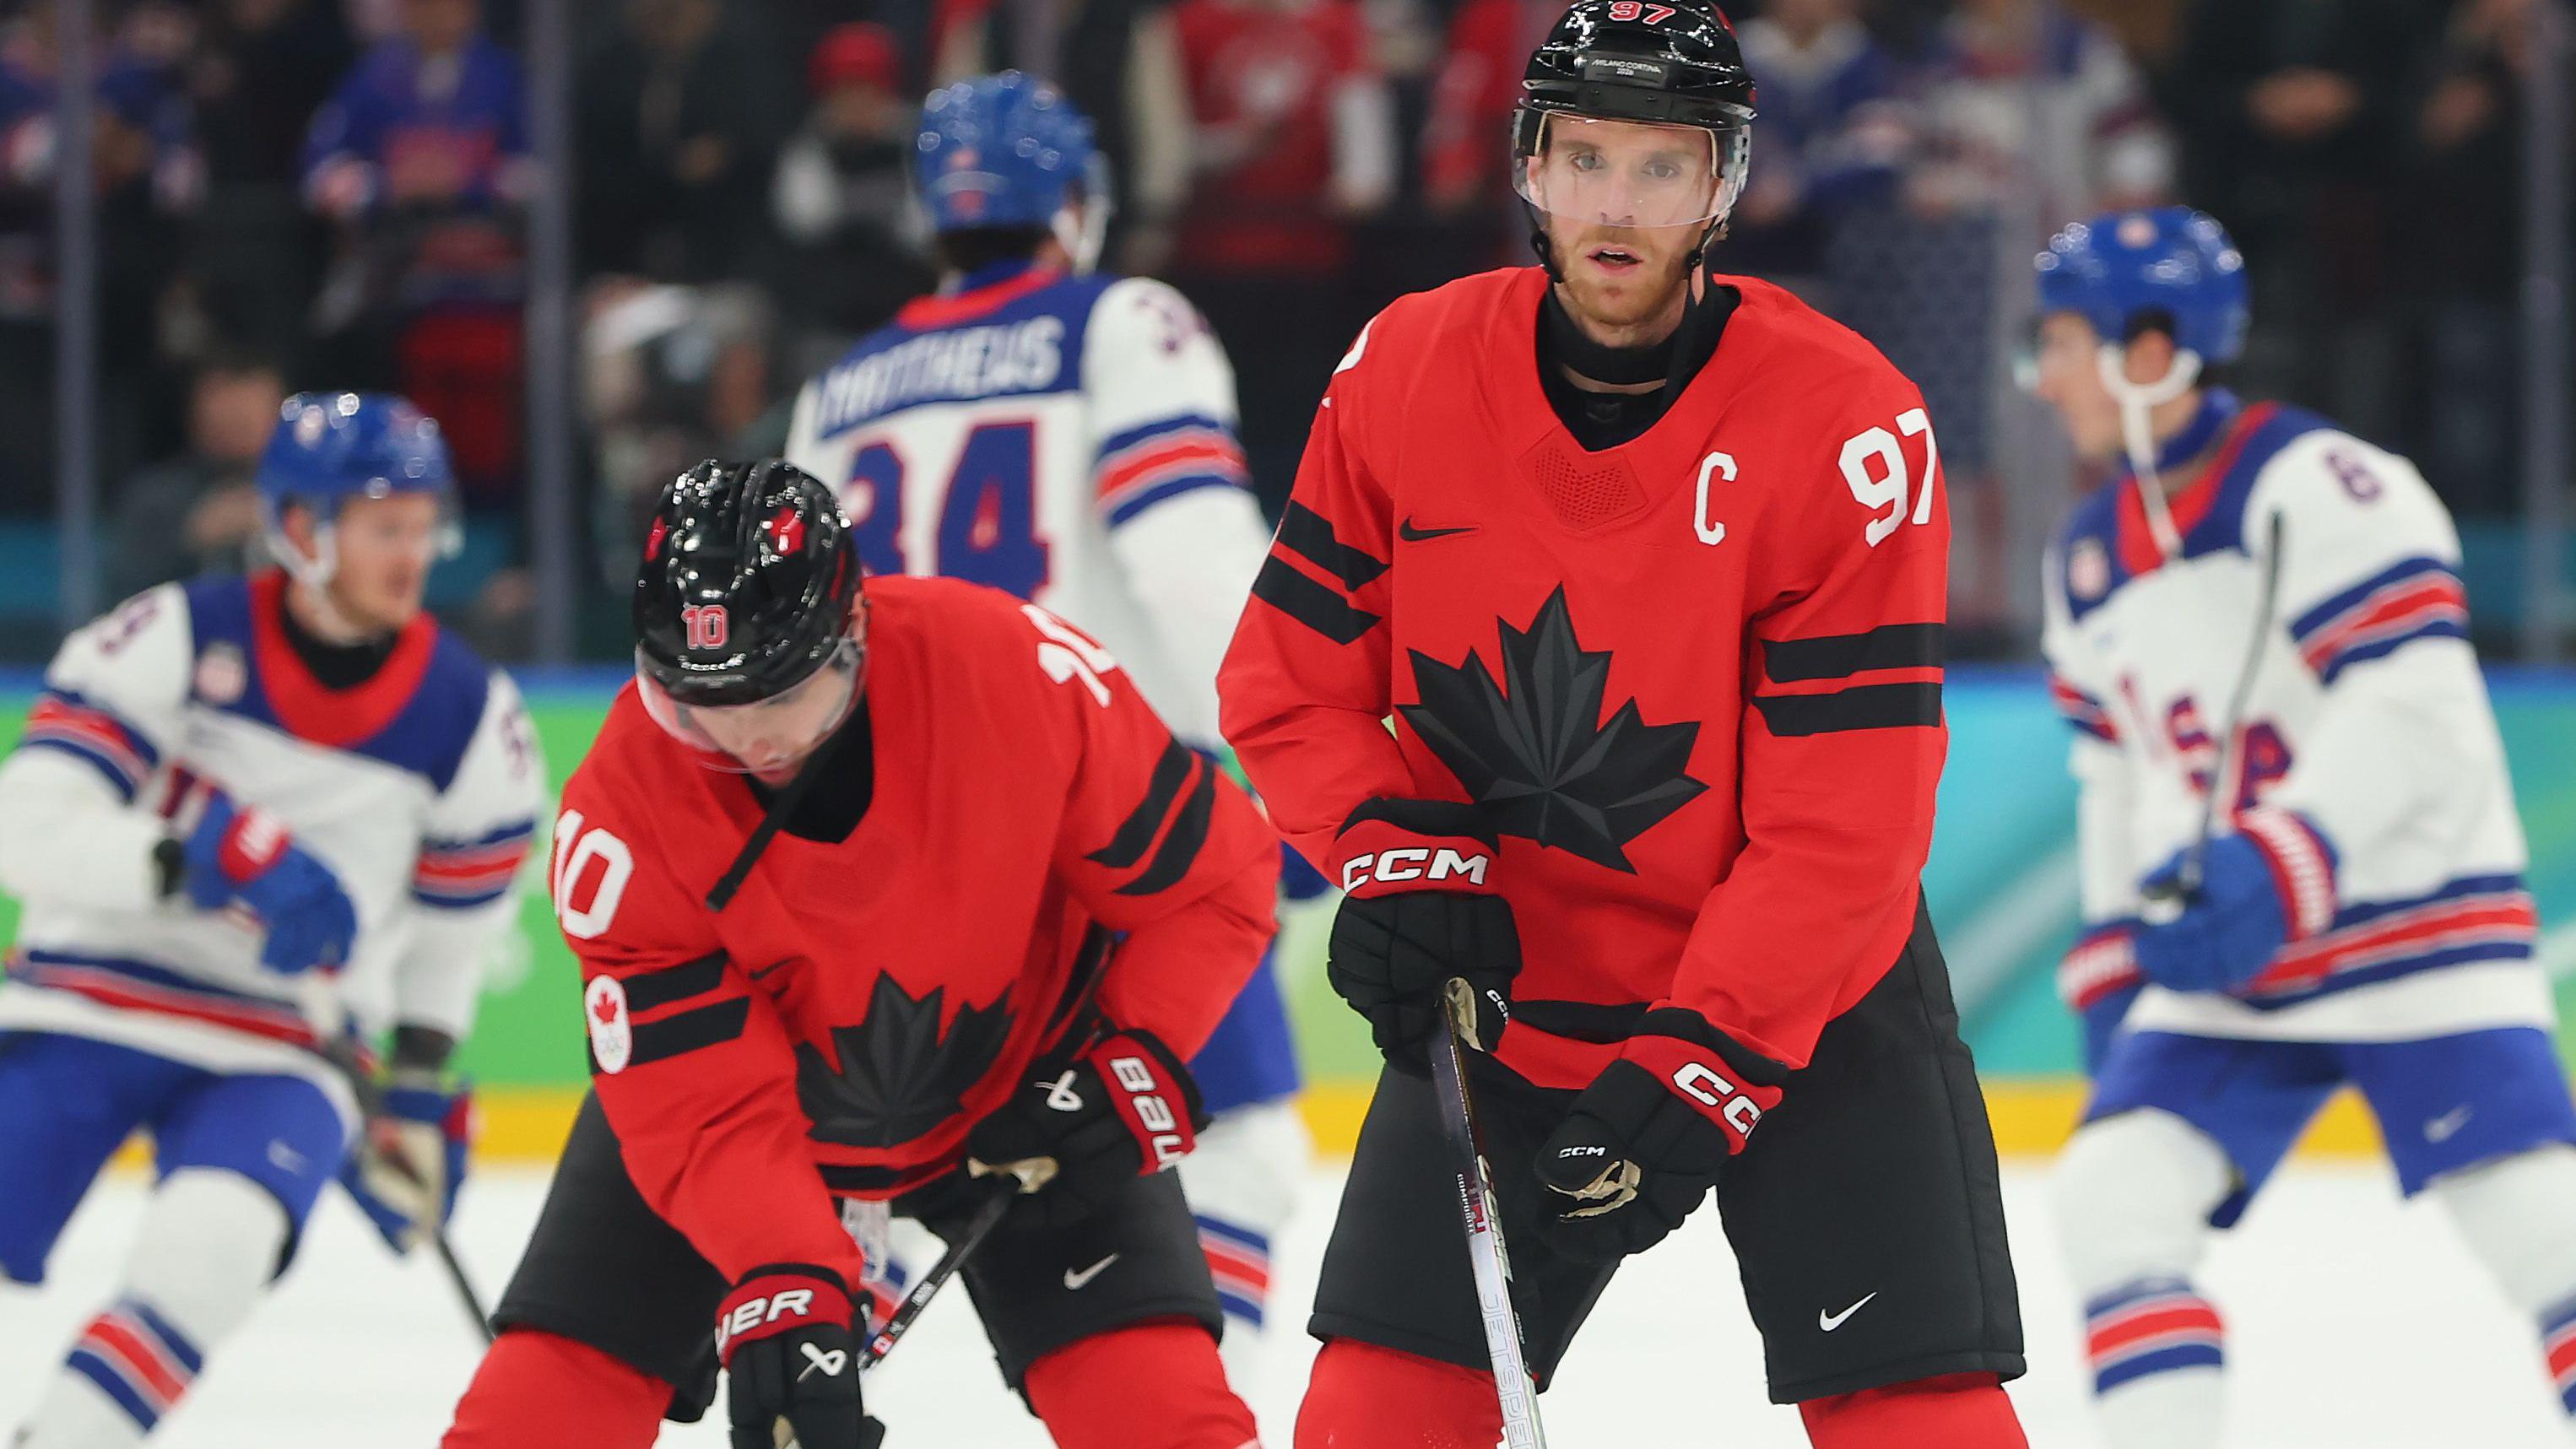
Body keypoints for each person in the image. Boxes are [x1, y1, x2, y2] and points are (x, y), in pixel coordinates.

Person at [1215, 5, 2028, 1447]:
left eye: (1663, 167)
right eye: (1584, 158)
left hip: (1799, 1002)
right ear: (1528, 166)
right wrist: (1393, 854)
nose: (1615, 205)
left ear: (1724, 186)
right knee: (1370, 1419)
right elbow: (1289, 681)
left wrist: (1706, 1059)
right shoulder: (1403, 369)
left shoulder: (1845, 424)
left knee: (1915, 1416)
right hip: (1504, 989)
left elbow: (1844, 825)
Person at [441, 459, 1277, 1449]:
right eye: (700, 702)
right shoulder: (621, 809)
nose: (744, 737)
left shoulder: (1012, 672)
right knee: (531, 1416)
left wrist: (1133, 1052)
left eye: (776, 695)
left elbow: (1211, 882)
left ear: (853, 632)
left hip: (1027, 1086)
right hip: (736, 1128)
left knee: (1166, 1417)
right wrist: (784, 1270)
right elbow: (700, 1096)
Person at [783, 72, 1311, 1364]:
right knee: (1234, 1143)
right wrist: (1303, 750)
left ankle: (808, 1377)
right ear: (1076, 205)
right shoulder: (1122, 321)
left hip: (893, 835)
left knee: (870, 1179)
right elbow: (1190, 557)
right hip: (1105, 812)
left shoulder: (841, 388)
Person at [2028, 207, 2576, 1447]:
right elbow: (2115, 772)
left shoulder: (2320, 485)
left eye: (2057, 343)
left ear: (2149, 350)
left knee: (2544, 1228)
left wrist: (2290, 854)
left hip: (2415, 929)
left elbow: (2414, 702)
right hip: (2236, 961)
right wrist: (2113, 954)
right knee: (2114, 1200)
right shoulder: (2083, 555)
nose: (2043, 377)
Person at [0, 392, 543, 1447]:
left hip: (283, 1042)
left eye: (425, 526)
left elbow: (450, 940)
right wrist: (189, 862)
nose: (415, 554)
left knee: (208, 1258)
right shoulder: (172, 635)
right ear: (301, 527)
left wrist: (414, 1092)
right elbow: (24, 827)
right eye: (385, 527)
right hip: (90, 997)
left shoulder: (472, 718)